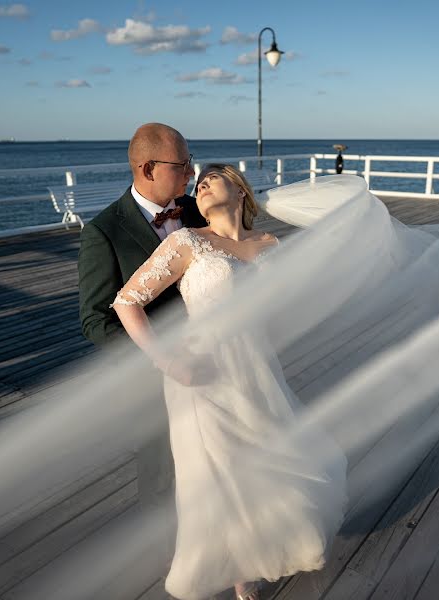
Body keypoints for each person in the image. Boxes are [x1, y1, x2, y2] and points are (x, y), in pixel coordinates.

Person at [112, 164, 348, 600]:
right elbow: (127, 302)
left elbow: (282, 309)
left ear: (239, 190)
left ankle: (266, 550)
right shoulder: (188, 241)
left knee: (272, 461)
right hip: (200, 374)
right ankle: (240, 574)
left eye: (211, 179)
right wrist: (167, 361)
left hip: (257, 369)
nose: (199, 185)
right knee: (220, 475)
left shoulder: (271, 245)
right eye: (197, 184)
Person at [77, 123, 208, 563]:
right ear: (148, 168)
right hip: (152, 376)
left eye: (191, 161)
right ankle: (175, 562)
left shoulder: (195, 210)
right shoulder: (103, 232)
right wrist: (160, 359)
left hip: (213, 362)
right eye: (183, 163)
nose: (191, 172)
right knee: (162, 474)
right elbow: (96, 320)